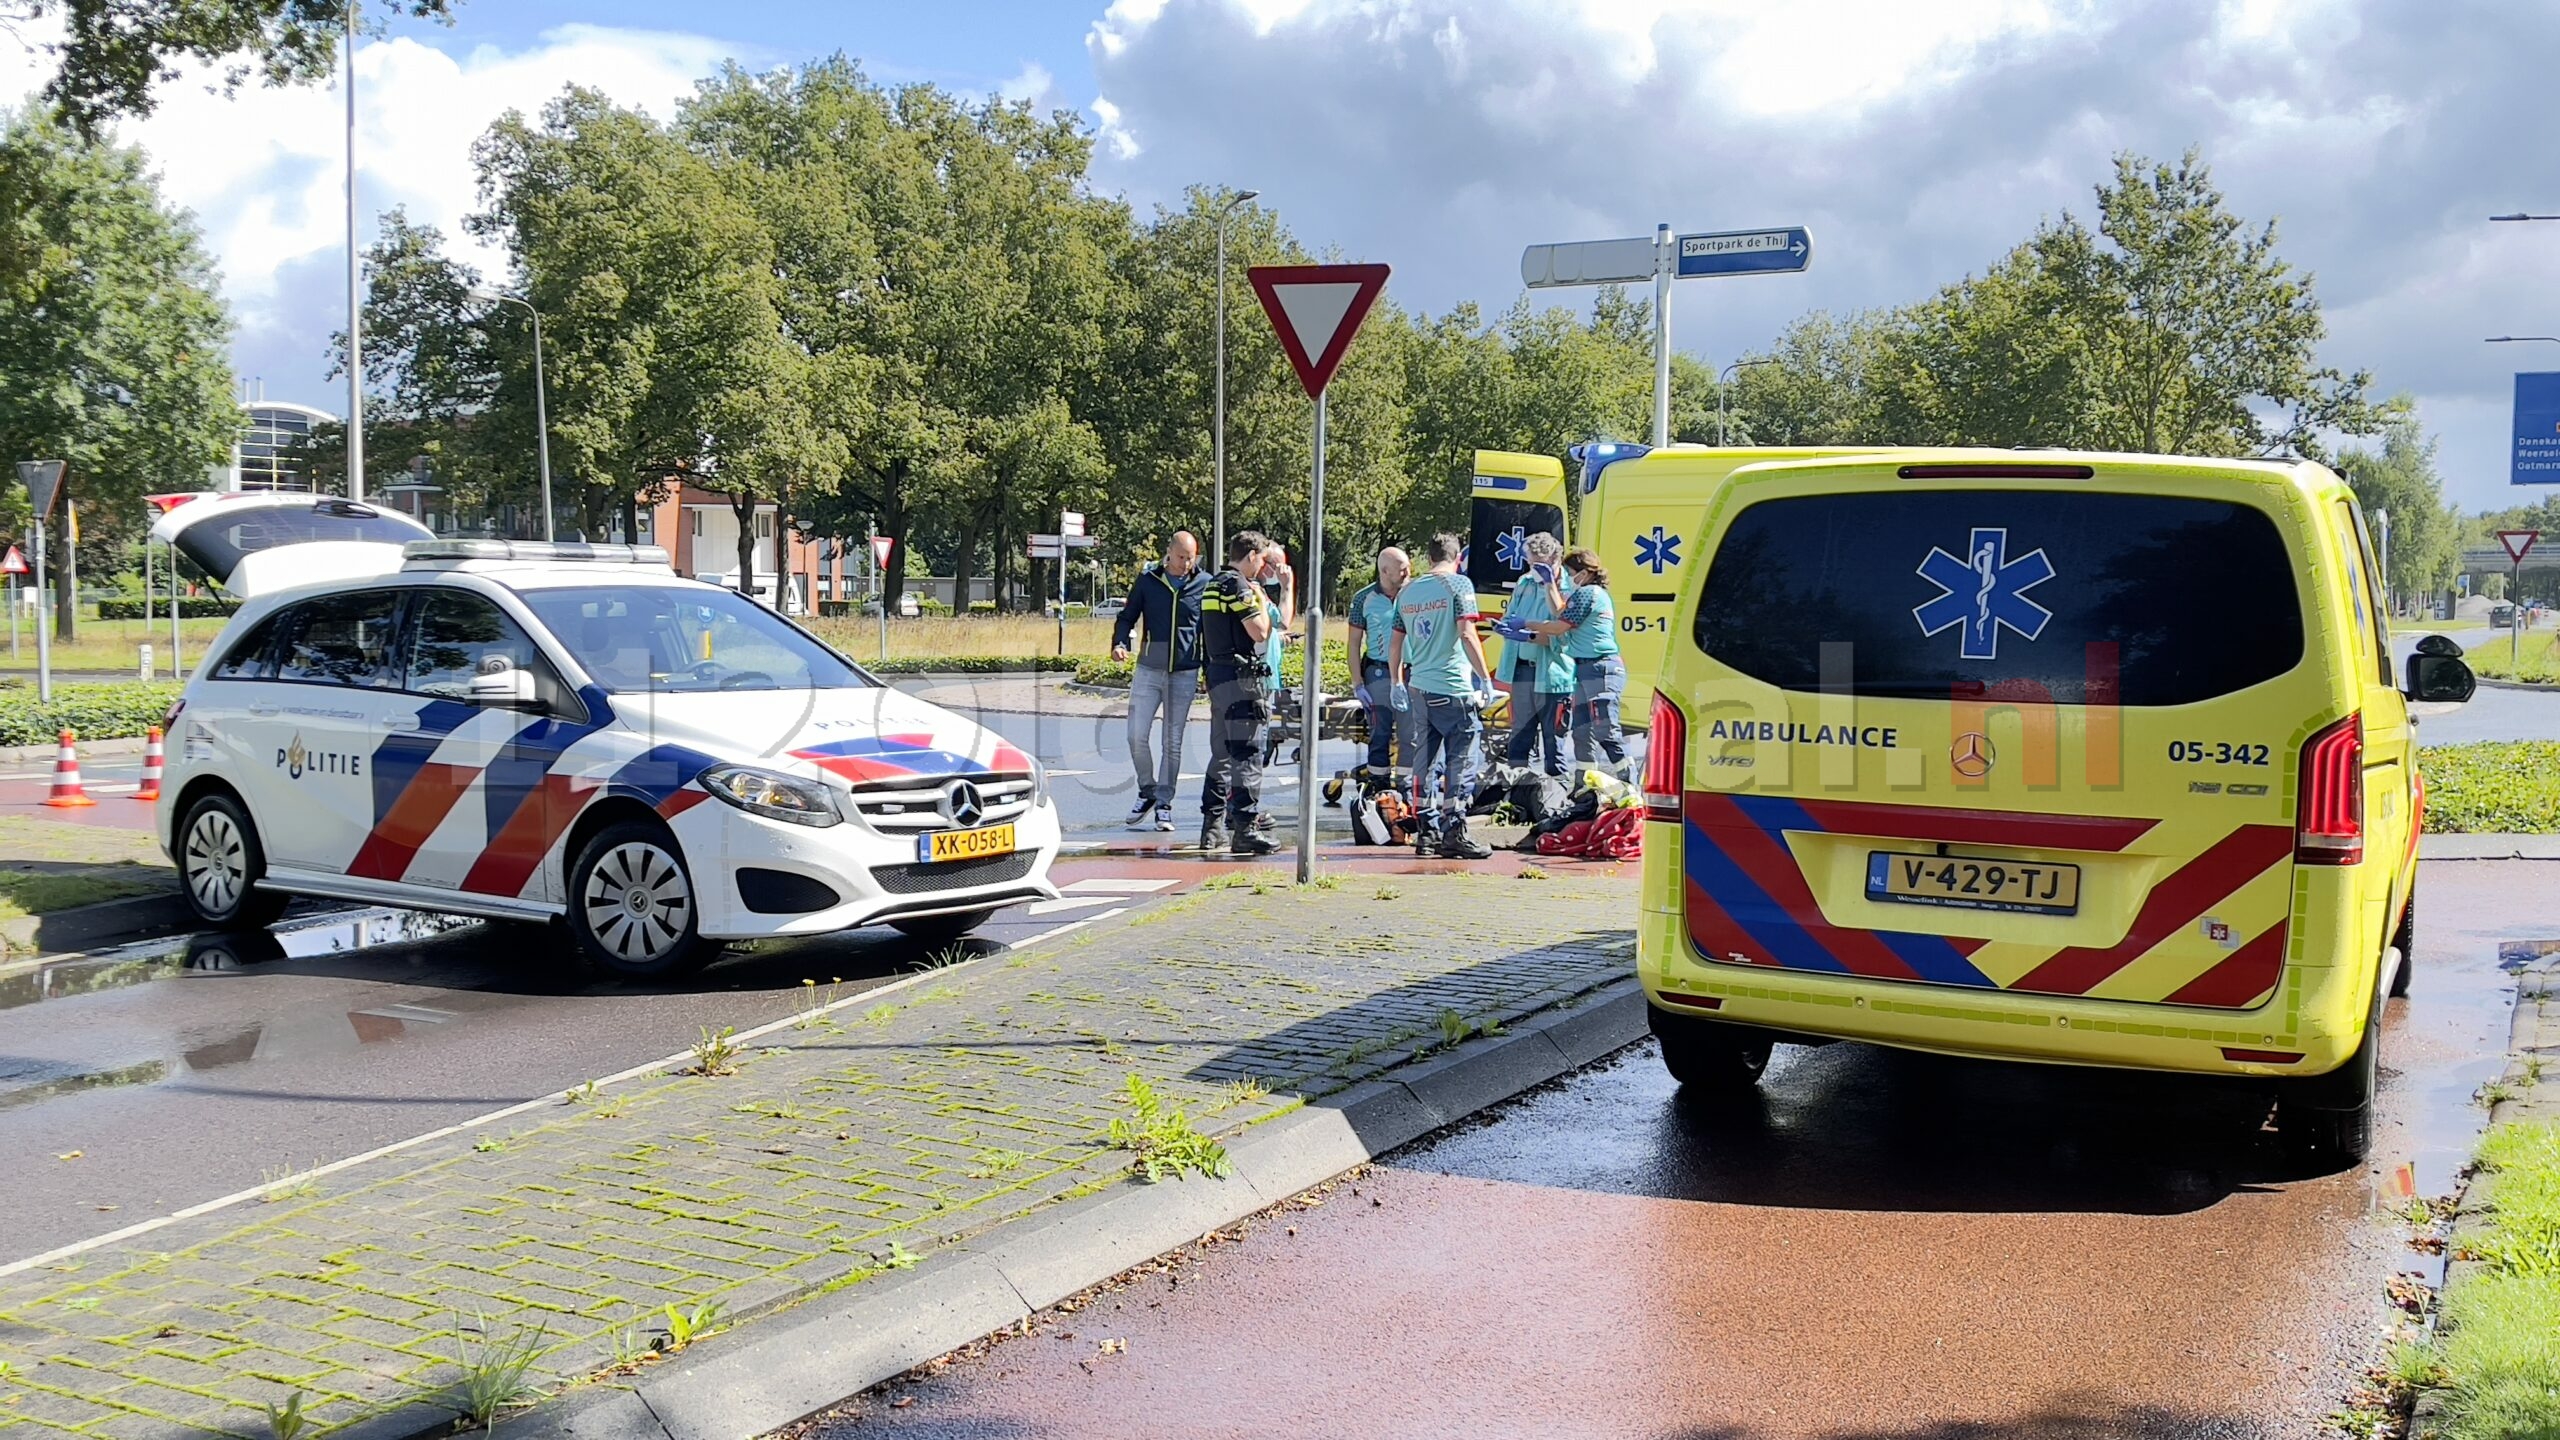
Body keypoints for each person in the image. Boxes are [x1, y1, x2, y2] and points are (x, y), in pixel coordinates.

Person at [1387, 532, 1498, 859]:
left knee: (1425, 760)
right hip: (1453, 688)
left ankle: (1427, 833)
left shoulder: (1407, 593)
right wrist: (1484, 677)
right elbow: (1467, 634)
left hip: (1419, 687)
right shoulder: (1459, 586)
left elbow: (1395, 642)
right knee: (1462, 761)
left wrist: (1396, 682)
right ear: (1458, 556)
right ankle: (1455, 830)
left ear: (1429, 556)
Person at [1109, 532, 1205, 831]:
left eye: (1191, 558)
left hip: (1185, 672)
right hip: (1149, 669)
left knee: (1172, 743)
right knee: (1135, 736)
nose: (1186, 563)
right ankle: (1147, 789)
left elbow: (1210, 627)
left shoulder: (1204, 584)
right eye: (1181, 557)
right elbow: (1127, 617)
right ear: (1169, 553)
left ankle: (1164, 803)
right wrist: (1120, 642)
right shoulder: (1149, 582)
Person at [1197, 530, 1280, 857]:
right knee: (1247, 752)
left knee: (1221, 752)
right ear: (1250, 556)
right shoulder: (1239, 586)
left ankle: (1211, 827)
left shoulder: (1212, 584)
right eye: (1261, 560)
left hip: (1218, 674)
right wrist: (1261, 600)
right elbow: (1259, 631)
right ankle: (1245, 828)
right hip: (1242, 678)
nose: (1262, 567)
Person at [1527, 546, 1627, 775]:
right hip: (1586, 669)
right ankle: (1585, 785)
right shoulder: (1587, 594)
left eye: (1571, 572)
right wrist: (1549, 584)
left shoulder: (1588, 593)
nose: (1570, 577)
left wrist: (1526, 624)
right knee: (1582, 732)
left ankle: (1627, 780)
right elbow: (1560, 611)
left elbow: (1559, 626)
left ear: (1584, 571)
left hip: (1600, 668)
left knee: (1606, 730)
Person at [1489, 532, 1569, 777]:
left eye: (1538, 564)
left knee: (1553, 743)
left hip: (1552, 675)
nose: (1532, 568)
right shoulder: (1524, 583)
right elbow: (1512, 616)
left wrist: (1529, 634)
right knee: (1519, 738)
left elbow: (1564, 636)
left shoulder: (1568, 587)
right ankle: (1518, 796)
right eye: (1530, 562)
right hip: (1522, 669)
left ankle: (1559, 799)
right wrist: (1506, 627)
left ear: (1555, 559)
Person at [1345, 546, 1419, 772]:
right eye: (1402, 569)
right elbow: (1354, 643)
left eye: (1408, 567)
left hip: (1411, 672)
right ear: (1385, 571)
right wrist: (1357, 683)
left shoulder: (1416, 594)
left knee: (1411, 736)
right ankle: (1379, 785)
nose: (1408, 573)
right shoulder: (1364, 599)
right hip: (1379, 673)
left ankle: (1407, 788)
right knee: (1380, 734)